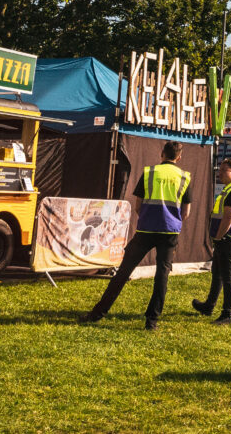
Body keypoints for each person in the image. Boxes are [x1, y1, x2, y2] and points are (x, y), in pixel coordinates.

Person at [81, 141, 193, 331]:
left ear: (162, 153)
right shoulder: (184, 177)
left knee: (123, 272)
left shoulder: (149, 172)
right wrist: (173, 221)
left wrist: (148, 218)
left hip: (146, 230)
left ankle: (98, 313)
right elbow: (186, 212)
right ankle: (152, 321)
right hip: (170, 232)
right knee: (162, 275)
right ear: (179, 157)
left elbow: (138, 206)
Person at [192, 157, 231, 324]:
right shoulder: (227, 189)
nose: (219, 173)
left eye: (224, 171)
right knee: (217, 274)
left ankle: (227, 314)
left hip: (229, 237)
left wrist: (219, 236)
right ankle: (209, 306)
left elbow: (228, 217)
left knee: (227, 276)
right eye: (219, 170)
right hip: (223, 238)